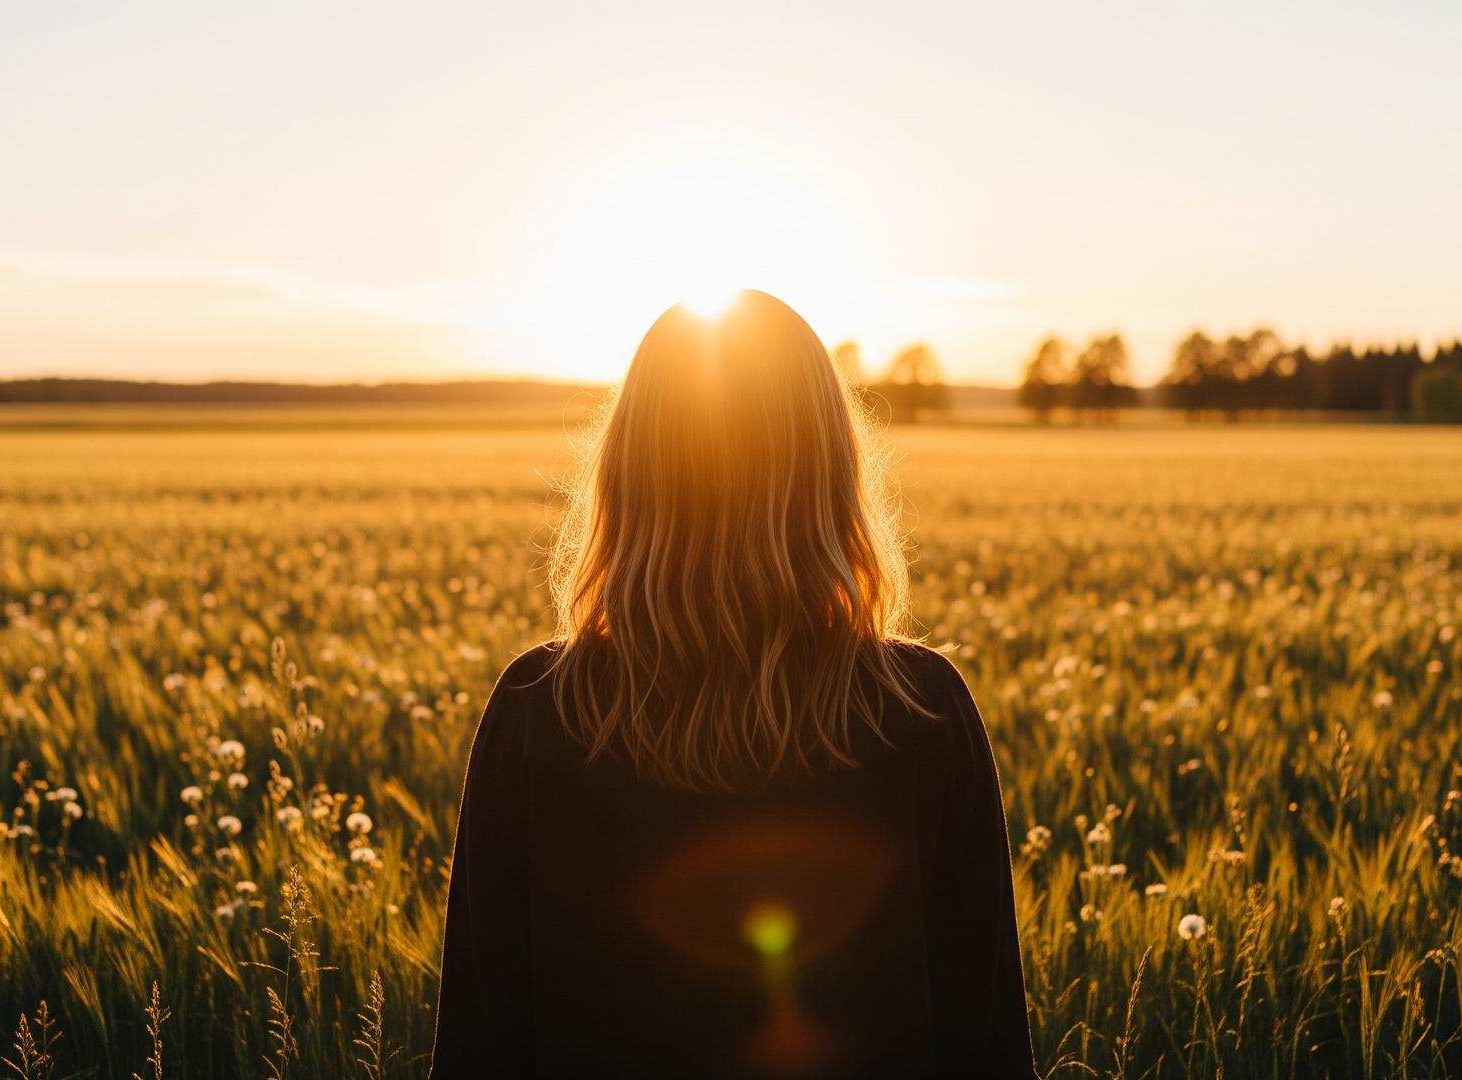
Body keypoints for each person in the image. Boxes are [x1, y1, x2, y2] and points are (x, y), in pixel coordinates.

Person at [429, 290, 1035, 1078]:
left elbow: (482, 1044)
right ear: (831, 468)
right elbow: (986, 1044)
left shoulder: (538, 709)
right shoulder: (922, 709)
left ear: (629, 470)